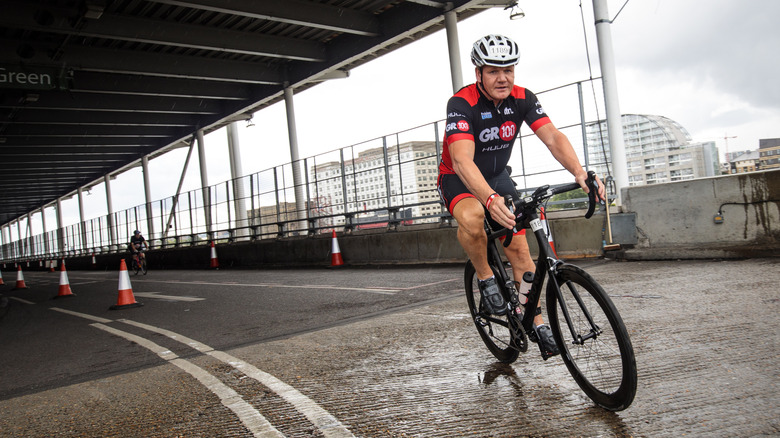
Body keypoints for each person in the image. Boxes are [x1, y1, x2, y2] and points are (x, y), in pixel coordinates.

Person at [437, 34, 605, 360]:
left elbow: (553, 137)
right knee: (473, 218)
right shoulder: (462, 103)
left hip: (498, 176)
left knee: (520, 250)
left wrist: (579, 172)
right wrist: (489, 199)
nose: (502, 78)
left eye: (509, 70)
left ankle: (537, 322)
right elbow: (461, 159)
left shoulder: (523, 98)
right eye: (493, 71)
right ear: (478, 74)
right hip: (458, 176)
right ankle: (486, 278)